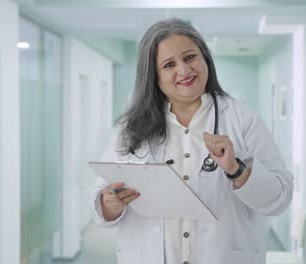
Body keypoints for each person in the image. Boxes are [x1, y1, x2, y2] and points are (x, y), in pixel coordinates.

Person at [90, 17, 293, 264]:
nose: (184, 71)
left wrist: (236, 170)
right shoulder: (130, 129)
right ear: (153, 76)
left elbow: (280, 198)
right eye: (168, 64)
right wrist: (110, 203)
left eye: (189, 57)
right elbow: (100, 204)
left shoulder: (243, 120)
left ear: (205, 57)